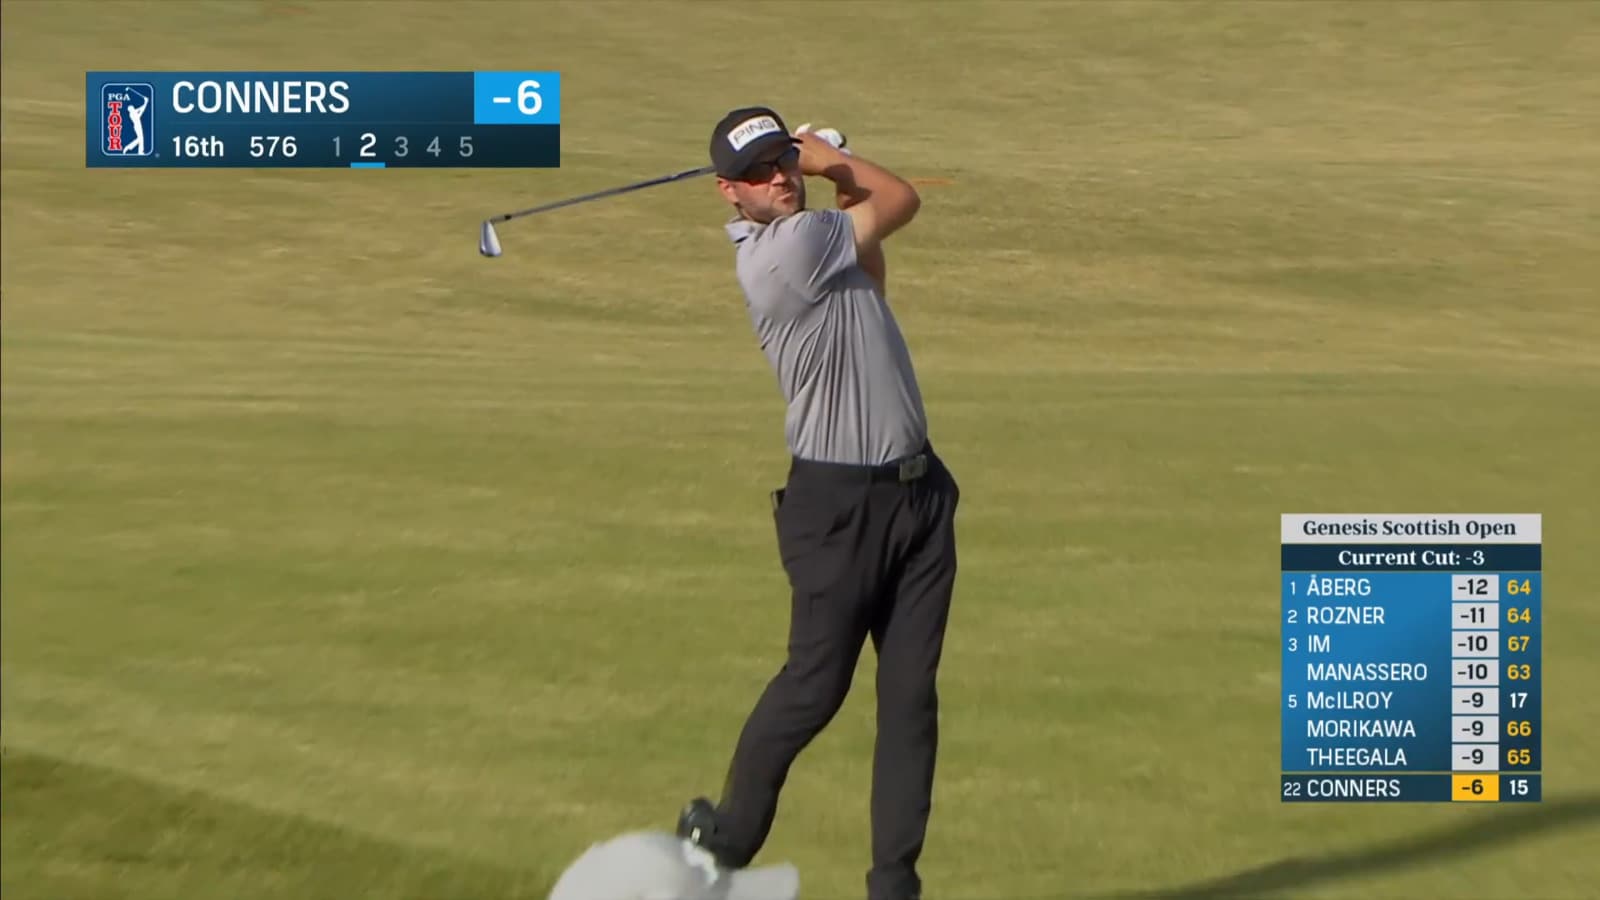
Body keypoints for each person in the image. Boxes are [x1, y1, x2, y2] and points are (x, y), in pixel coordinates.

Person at [676, 106, 961, 900]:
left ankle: (894, 885)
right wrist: (839, 160)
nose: (780, 178)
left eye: (785, 162)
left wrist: (828, 170)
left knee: (910, 701)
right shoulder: (781, 254)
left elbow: (872, 277)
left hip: (918, 496)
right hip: (837, 508)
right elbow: (900, 199)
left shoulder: (820, 241)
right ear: (729, 194)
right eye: (764, 171)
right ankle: (728, 833)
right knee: (816, 685)